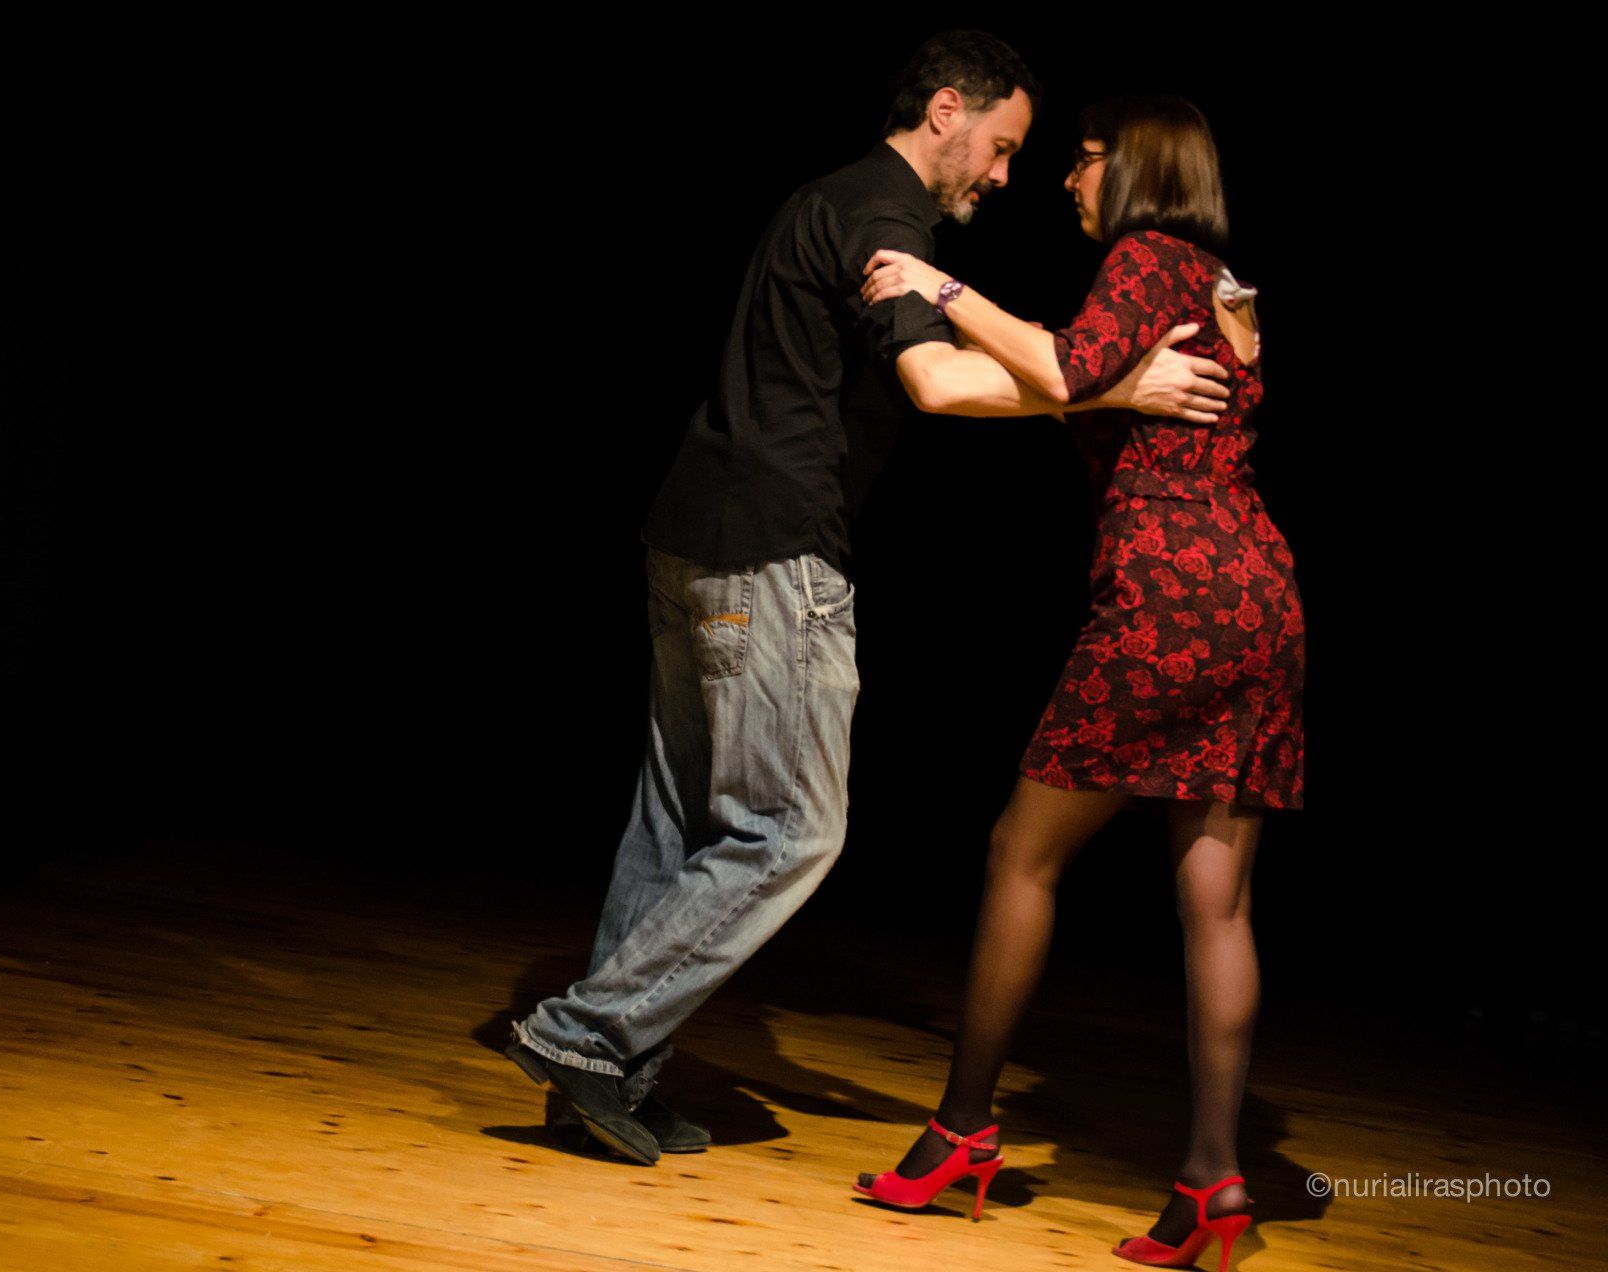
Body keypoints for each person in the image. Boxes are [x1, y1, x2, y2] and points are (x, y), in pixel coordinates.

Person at [501, 33, 1235, 1169]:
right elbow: (938, 382)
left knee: (679, 821)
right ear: (946, 111)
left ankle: (607, 1073)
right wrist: (1108, 389)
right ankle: (583, 1032)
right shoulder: (887, 217)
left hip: (692, 533)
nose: (1007, 176)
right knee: (793, 830)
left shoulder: (831, 196)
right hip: (773, 550)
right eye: (1001, 147)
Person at [849, 94, 1302, 1272]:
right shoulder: (1229, 287)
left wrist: (941, 289)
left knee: (1023, 852)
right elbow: (1077, 386)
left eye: (1087, 158)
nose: (1068, 178)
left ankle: (962, 1129)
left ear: (1137, 165)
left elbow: (1062, 364)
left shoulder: (1146, 258)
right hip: (1259, 593)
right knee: (1219, 904)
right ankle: (1214, 1180)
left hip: (1168, 591)